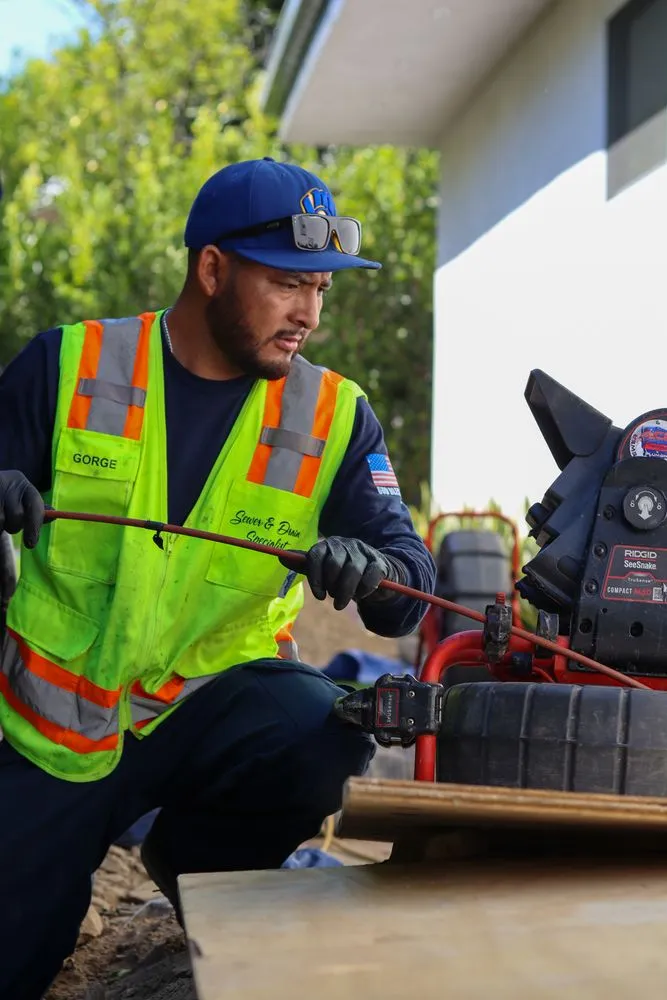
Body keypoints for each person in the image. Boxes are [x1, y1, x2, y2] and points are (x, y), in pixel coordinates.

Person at [0, 157, 436, 999]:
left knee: (324, 729)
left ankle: (198, 863)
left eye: (320, 290)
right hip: (53, 741)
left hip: (209, 717)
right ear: (211, 269)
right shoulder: (67, 364)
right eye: (287, 284)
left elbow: (407, 589)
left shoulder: (334, 416)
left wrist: (376, 571)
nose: (309, 314)